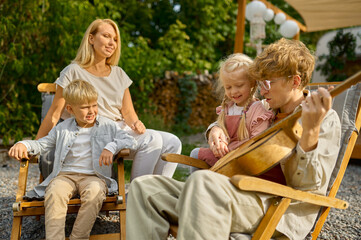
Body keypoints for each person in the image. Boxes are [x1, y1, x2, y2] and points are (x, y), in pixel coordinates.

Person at [125, 38, 341, 240]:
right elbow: (230, 117)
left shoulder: (322, 118)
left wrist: (310, 133)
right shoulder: (267, 110)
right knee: (144, 187)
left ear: (295, 81)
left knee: (203, 181)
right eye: (261, 82)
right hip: (236, 191)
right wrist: (214, 130)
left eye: (269, 82)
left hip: (276, 204)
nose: (263, 89)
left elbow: (310, 185)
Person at [36, 19, 181, 180]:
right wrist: (35, 146)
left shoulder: (119, 73)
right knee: (152, 139)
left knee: (172, 142)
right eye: (106, 36)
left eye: (115, 39)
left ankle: (156, 193)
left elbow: (128, 112)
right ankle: (137, 195)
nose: (112, 43)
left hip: (119, 130)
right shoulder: (72, 71)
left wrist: (136, 123)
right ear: (91, 39)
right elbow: (54, 114)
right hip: (95, 131)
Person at [8, 80, 137, 240]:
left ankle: (78, 237)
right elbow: (42, 144)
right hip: (65, 176)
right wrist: (23, 144)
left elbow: (130, 140)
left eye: (94, 105)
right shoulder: (62, 129)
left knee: (95, 193)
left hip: (94, 177)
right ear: (70, 109)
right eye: (84, 107)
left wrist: (111, 146)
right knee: (54, 193)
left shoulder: (107, 126)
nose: (91, 111)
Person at [190, 53, 273, 167]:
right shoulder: (228, 107)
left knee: (195, 153)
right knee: (196, 154)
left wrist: (229, 149)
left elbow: (257, 142)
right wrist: (218, 144)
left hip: (241, 159)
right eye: (228, 87)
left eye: (239, 85)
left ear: (252, 82)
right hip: (226, 155)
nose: (233, 92)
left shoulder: (258, 110)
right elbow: (221, 130)